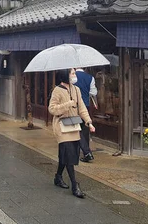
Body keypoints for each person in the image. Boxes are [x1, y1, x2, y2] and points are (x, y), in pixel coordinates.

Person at [49, 68, 95, 199]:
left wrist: (89, 122)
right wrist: (67, 104)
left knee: (69, 153)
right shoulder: (57, 90)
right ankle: (75, 185)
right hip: (61, 126)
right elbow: (52, 109)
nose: (75, 76)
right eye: (72, 73)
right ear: (65, 75)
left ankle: (58, 176)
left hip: (74, 125)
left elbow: (82, 108)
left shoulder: (76, 90)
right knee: (68, 153)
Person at [75, 68, 98, 163]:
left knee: (75, 129)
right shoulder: (90, 78)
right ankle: (85, 153)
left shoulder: (72, 76)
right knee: (85, 130)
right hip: (86, 106)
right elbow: (94, 93)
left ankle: (80, 152)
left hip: (74, 106)